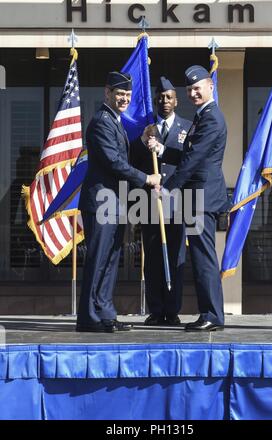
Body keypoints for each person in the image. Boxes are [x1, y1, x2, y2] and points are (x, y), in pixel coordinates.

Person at [76, 71, 161, 333]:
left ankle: (104, 313)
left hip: (113, 203)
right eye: (119, 94)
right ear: (107, 93)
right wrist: (147, 178)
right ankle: (89, 317)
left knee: (111, 260)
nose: (124, 99)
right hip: (101, 202)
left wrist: (142, 141)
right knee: (98, 259)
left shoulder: (115, 121)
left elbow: (121, 153)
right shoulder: (102, 121)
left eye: (127, 94)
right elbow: (114, 161)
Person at [159, 65, 228, 331]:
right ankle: (209, 313)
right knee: (200, 257)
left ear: (211, 87)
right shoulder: (202, 116)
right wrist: (163, 149)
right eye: (189, 89)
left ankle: (212, 315)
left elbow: (194, 159)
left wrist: (168, 187)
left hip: (202, 198)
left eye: (197, 88)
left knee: (203, 258)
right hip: (196, 197)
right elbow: (190, 155)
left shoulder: (211, 117)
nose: (193, 93)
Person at [131, 76, 191, 326]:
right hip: (150, 202)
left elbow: (189, 163)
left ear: (176, 101)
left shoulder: (188, 127)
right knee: (153, 255)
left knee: (176, 256)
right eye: (161, 96)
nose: (164, 101)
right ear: (155, 99)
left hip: (177, 202)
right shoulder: (146, 129)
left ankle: (172, 309)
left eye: (169, 97)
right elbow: (132, 161)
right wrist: (143, 143)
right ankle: (156, 309)